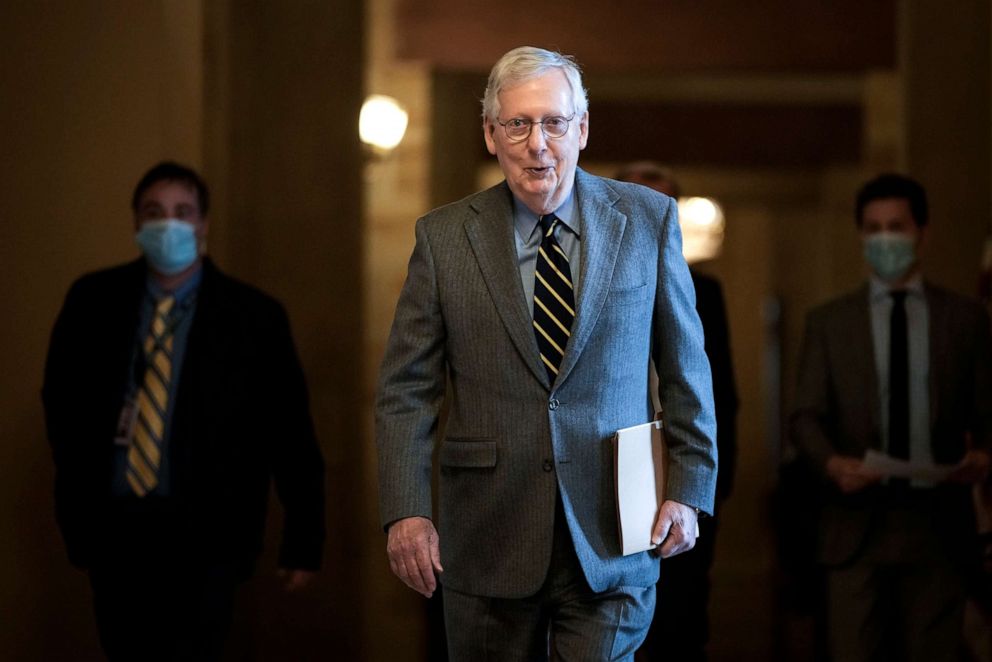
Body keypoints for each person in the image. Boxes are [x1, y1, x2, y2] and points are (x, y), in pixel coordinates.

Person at [375, 46, 717, 661]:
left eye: (554, 122)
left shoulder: (648, 220)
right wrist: (406, 511)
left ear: (582, 129)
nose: (538, 143)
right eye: (518, 123)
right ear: (490, 133)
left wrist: (689, 489)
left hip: (615, 528)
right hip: (486, 531)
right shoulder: (444, 236)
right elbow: (406, 389)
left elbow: (685, 365)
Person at [42, 161, 325, 661]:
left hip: (210, 537)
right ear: (135, 222)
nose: (167, 224)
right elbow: (63, 408)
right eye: (154, 211)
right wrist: (78, 513)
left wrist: (304, 539)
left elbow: (290, 432)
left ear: (203, 223)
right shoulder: (93, 302)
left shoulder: (252, 316)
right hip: (117, 533)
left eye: (181, 211)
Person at [789, 173, 992, 661]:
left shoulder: (964, 320)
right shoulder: (830, 322)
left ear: (922, 232)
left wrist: (983, 455)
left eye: (895, 227)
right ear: (861, 236)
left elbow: (986, 410)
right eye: (873, 228)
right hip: (855, 527)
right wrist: (832, 463)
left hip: (939, 526)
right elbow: (804, 416)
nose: (884, 240)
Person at [616, 162, 739, 662]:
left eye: (660, 208)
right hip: (609, 474)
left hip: (682, 478)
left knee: (682, 620)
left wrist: (709, 490)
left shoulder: (703, 291)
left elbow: (720, 395)